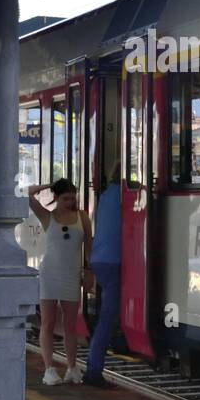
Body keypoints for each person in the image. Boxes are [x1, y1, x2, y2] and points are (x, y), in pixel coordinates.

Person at [28, 178, 92, 385]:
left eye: (72, 198)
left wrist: (89, 271)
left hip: (71, 275)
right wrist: (48, 185)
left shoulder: (82, 217)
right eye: (65, 198)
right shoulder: (47, 216)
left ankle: (72, 368)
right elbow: (26, 193)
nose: (70, 202)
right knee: (47, 323)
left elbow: (89, 246)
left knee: (70, 325)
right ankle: (49, 369)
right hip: (49, 274)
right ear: (56, 198)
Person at [82, 162, 122, 386]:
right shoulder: (126, 197)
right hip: (114, 261)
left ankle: (94, 367)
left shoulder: (106, 196)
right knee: (106, 318)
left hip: (100, 259)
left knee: (107, 316)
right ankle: (93, 370)